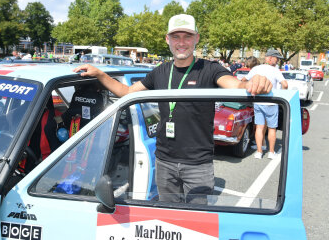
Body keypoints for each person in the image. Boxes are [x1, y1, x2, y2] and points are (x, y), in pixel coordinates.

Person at [73, 14, 272, 203]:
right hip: (164, 161)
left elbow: (235, 85)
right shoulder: (160, 71)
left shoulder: (210, 69)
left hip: (198, 164)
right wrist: (100, 74)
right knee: (169, 220)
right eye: (176, 36)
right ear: (168, 39)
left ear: (197, 39)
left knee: (197, 222)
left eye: (188, 36)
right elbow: (127, 92)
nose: (182, 42)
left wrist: (254, 82)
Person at [244, 49, 288, 160]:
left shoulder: (256, 68)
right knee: (272, 128)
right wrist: (282, 96)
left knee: (259, 127)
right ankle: (271, 152)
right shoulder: (275, 70)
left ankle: (259, 151)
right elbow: (285, 84)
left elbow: (244, 80)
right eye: (276, 59)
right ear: (270, 58)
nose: (277, 61)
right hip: (272, 102)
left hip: (258, 102)